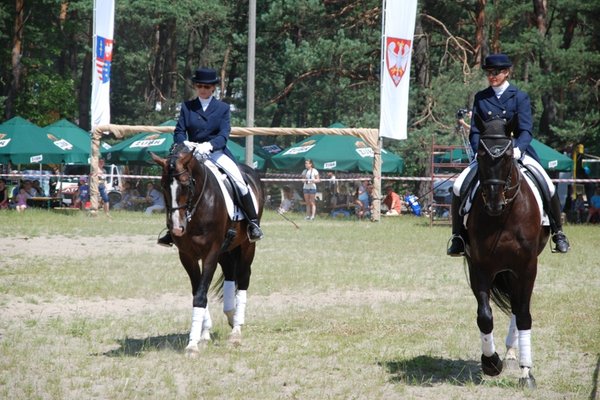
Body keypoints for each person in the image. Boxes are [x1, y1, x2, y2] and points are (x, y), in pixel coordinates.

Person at [447, 53, 570, 256]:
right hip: (487, 154)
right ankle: (458, 236)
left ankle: (558, 233)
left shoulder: (519, 97)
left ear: (506, 72)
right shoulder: (481, 97)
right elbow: (475, 130)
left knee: (547, 184)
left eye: (496, 72)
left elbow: (526, 131)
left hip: (514, 150)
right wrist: (479, 150)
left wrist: (518, 149)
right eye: (489, 73)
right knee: (459, 185)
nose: (492, 76)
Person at [157, 67, 263, 245]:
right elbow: (179, 132)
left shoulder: (222, 108)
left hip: (216, 153)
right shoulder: (187, 107)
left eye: (207, 87)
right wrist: (186, 144)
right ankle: (172, 230)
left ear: (213, 88)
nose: (203, 90)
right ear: (196, 87)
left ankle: (253, 223)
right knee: (175, 184)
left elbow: (224, 134)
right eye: (199, 86)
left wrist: (210, 145)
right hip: (191, 154)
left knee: (239, 181)